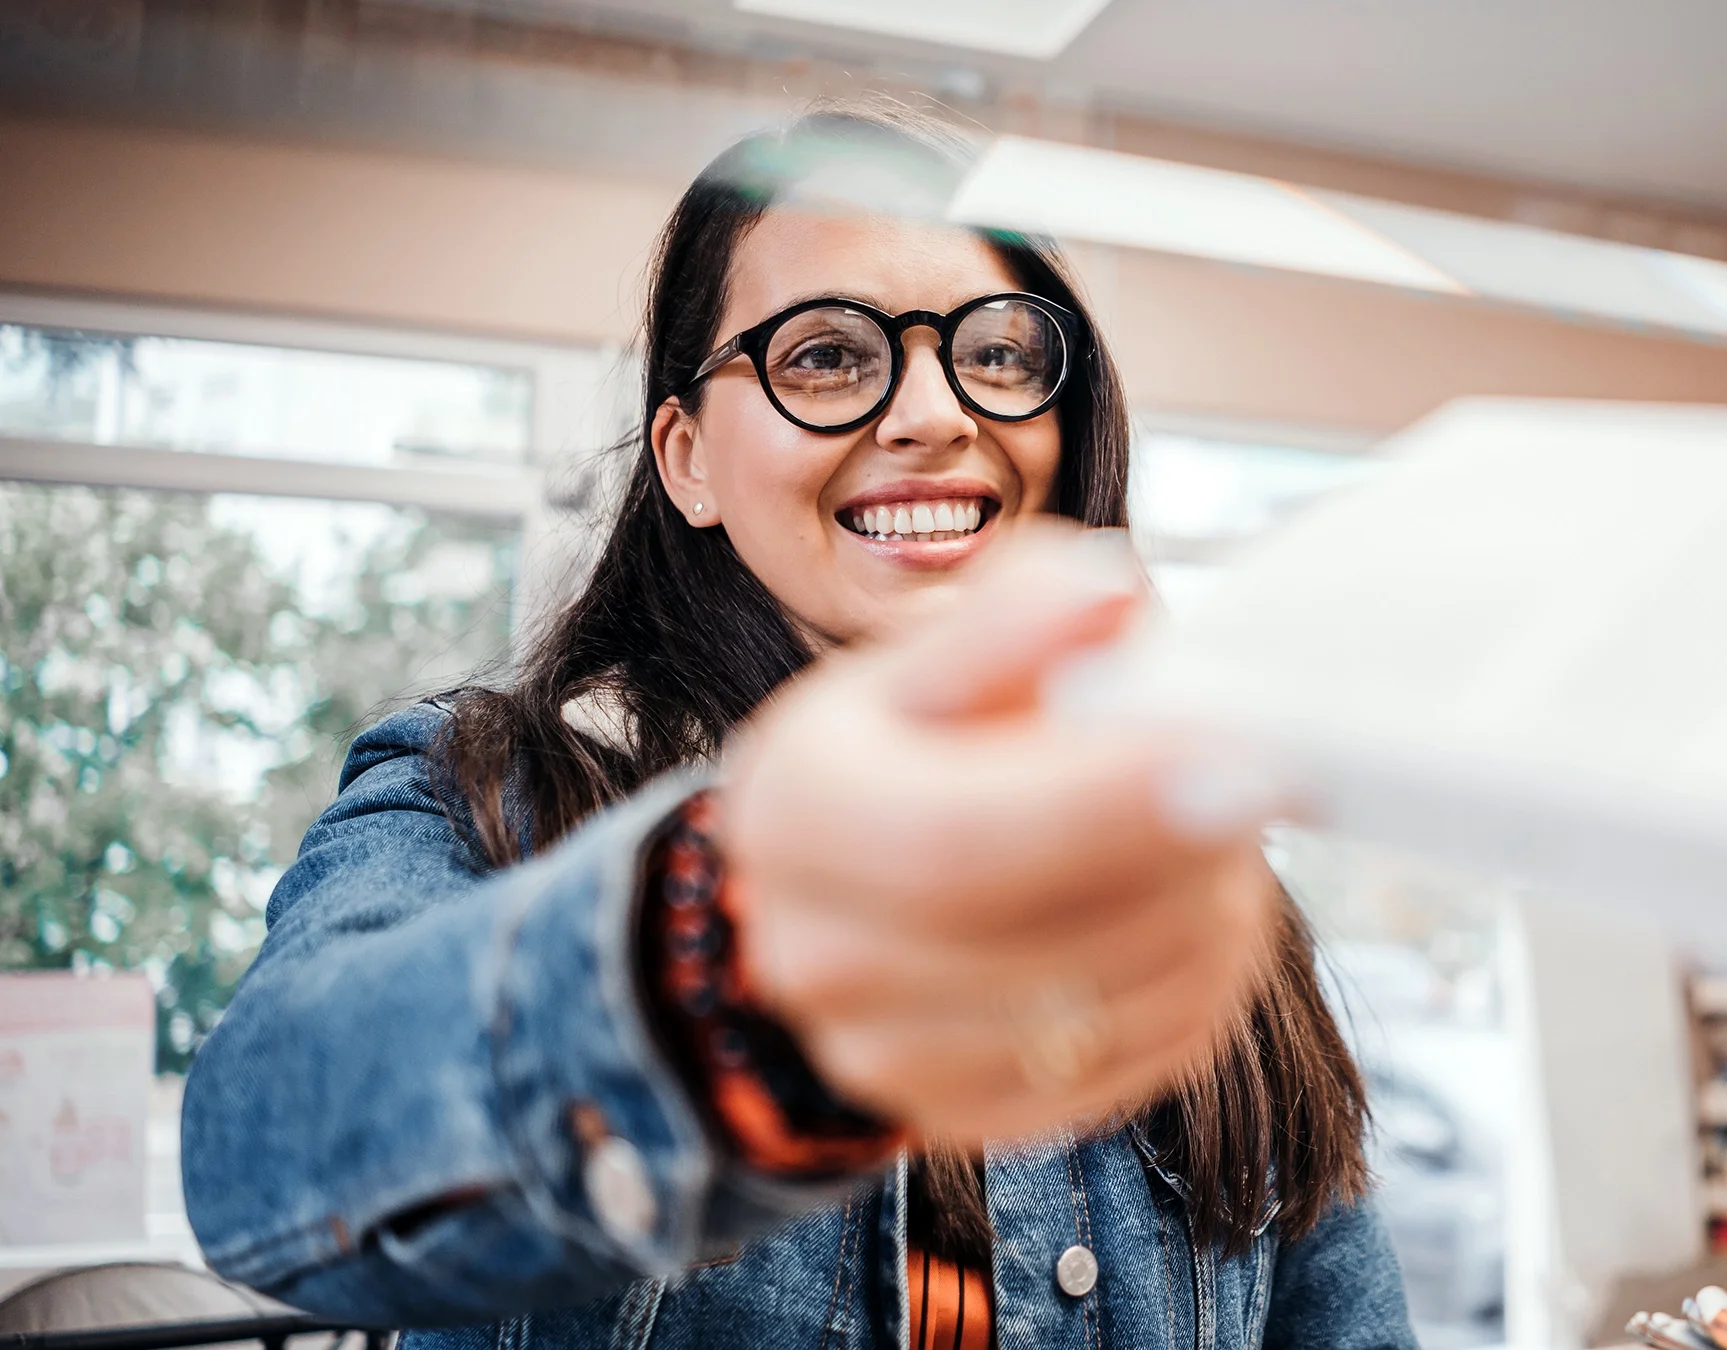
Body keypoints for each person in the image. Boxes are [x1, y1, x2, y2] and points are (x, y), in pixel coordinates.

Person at [179, 109, 1417, 1350]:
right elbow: (260, 1158)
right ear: (687, 459)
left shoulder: (1177, 870)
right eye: (825, 355)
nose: (936, 413)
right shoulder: (476, 790)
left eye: (996, 351)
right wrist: (722, 956)